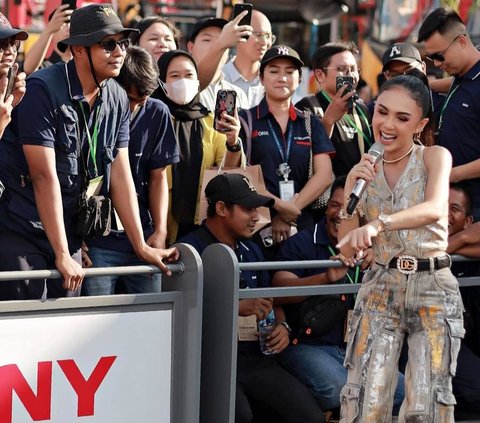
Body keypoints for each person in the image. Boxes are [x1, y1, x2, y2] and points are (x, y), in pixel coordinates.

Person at [0, 4, 178, 301]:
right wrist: (61, 253)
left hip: (69, 232)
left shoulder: (118, 96)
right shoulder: (42, 89)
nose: (120, 51)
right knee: (25, 322)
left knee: (67, 329)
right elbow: (44, 177)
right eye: (108, 44)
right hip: (21, 230)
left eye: (122, 42)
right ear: (79, 50)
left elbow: (121, 174)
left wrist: (140, 245)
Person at [336, 75, 463, 421]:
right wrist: (351, 186)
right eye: (382, 112)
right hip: (380, 286)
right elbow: (348, 250)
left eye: (402, 118)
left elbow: (435, 208)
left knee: (428, 407)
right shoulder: (362, 171)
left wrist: (380, 224)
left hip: (432, 286)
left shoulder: (434, 157)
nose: (387, 125)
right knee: (364, 403)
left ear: (420, 124)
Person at [179, 172, 326, 423]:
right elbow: (180, 320)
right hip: (210, 362)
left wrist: (282, 325)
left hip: (257, 358)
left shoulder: (253, 249)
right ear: (222, 208)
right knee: (239, 417)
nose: (256, 217)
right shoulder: (188, 252)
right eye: (248, 209)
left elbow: (271, 300)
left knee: (309, 416)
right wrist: (234, 307)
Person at [273, 175, 405, 413]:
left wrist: (383, 261)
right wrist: (325, 279)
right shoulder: (304, 241)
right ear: (325, 209)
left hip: (357, 349)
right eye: (335, 205)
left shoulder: (374, 245)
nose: (341, 214)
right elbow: (279, 289)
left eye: (350, 208)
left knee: (405, 392)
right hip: (306, 345)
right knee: (338, 389)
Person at [81, 45, 179, 295]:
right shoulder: (94, 110)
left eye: (142, 100)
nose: (133, 107)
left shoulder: (158, 113)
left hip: (144, 237)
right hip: (98, 240)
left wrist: (160, 230)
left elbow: (158, 178)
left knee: (148, 319)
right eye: (129, 98)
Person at [238, 45, 334, 249]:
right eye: (274, 71)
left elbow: (324, 175)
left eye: (290, 72)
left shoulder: (310, 122)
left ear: (299, 79)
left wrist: (290, 213)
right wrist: (279, 206)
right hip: (255, 222)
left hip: (303, 223)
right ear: (261, 78)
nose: (282, 77)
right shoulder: (245, 120)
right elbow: (241, 173)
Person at [155, 50, 242, 242]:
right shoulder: (153, 117)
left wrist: (233, 141)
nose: (183, 81)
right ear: (161, 81)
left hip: (203, 227)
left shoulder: (211, 121)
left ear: (197, 81)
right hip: (157, 226)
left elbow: (228, 170)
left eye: (189, 75)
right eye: (174, 76)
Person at [418, 8, 480, 220]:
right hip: (450, 203)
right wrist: (424, 84)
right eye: (430, 58)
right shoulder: (462, 76)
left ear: (462, 41)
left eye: (439, 56)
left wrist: (451, 174)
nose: (436, 64)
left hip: (474, 209)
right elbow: (457, 85)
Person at [296, 42, 372, 178]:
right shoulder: (307, 107)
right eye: (342, 69)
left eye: (354, 69)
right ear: (320, 75)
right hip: (326, 195)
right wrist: (328, 121)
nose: (350, 75)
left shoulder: (361, 109)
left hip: (359, 193)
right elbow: (303, 158)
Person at [443, 183, 480, 419]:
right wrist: (455, 243)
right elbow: (428, 256)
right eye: (441, 206)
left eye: (454, 209)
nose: (445, 214)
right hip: (439, 338)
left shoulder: (469, 245)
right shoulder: (416, 239)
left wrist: (462, 239)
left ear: (468, 220)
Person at [187, 16, 250, 111]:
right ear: (191, 47)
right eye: (207, 40)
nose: (215, 46)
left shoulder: (238, 94)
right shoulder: (182, 85)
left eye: (222, 40)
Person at [223, 10, 275, 108]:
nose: (264, 42)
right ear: (238, 35)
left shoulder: (273, 81)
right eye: (258, 34)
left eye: (268, 36)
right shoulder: (220, 78)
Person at [22, 4, 72, 75]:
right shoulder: (46, 68)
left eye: (72, 24)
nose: (68, 28)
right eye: (65, 24)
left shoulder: (84, 65)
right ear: (53, 29)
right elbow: (28, 69)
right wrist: (48, 31)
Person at [0, 12, 28, 137]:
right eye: (2, 44)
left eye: (14, 44)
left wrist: (11, 105)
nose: (10, 51)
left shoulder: (16, 93)